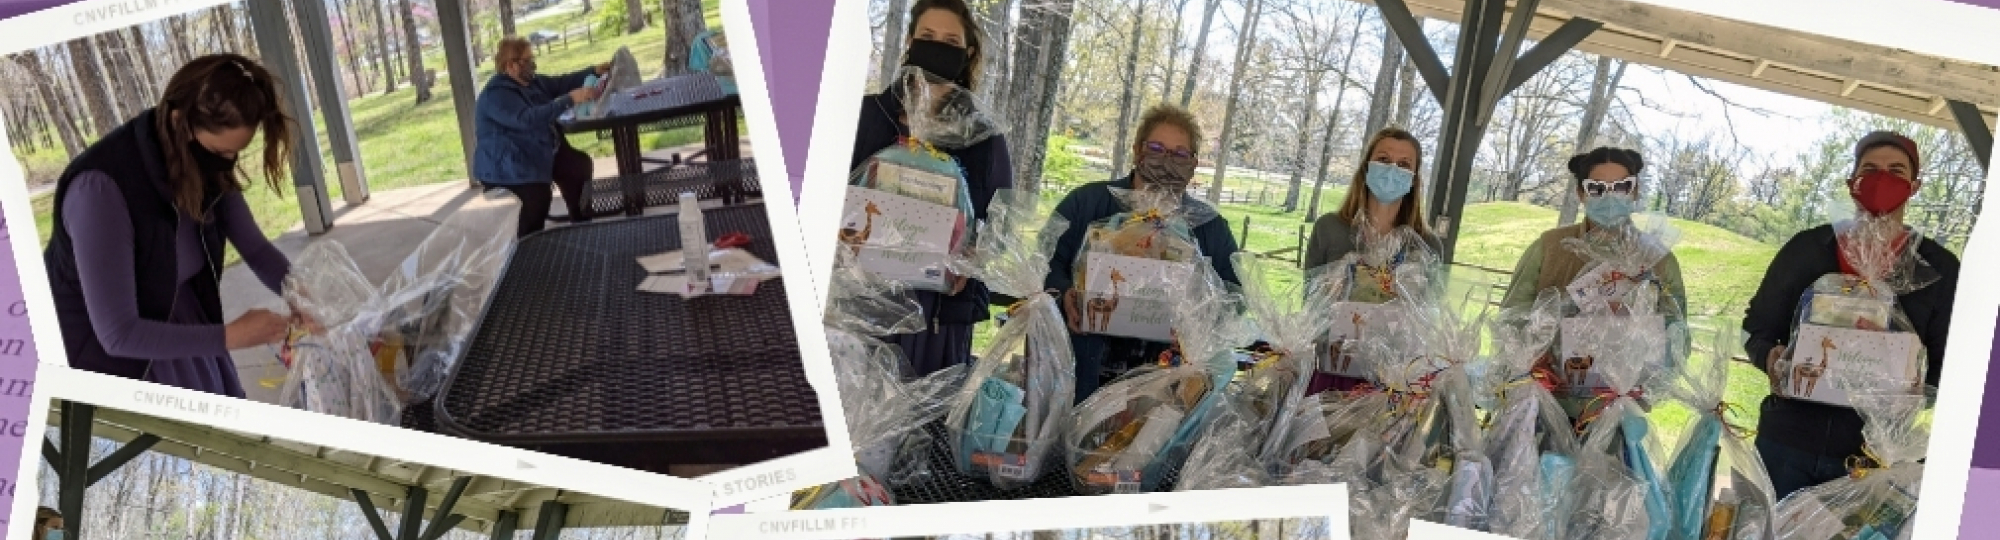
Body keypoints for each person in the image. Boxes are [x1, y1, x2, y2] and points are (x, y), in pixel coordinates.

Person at [43, 54, 303, 399]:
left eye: (235, 154)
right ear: (181, 122)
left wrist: (302, 297)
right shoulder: (100, 189)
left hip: (180, 315)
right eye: (219, 151)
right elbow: (119, 334)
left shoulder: (201, 162)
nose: (227, 164)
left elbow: (254, 248)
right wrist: (233, 335)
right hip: (119, 357)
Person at [1743, 131, 1959, 501]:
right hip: (1788, 442)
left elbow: (1949, 366)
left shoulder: (1938, 268)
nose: (1882, 179)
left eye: (1896, 170)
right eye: (1870, 169)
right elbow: (1755, 328)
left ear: (1915, 186)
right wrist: (1770, 357)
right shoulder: (1808, 248)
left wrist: (1914, 388)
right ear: (1851, 183)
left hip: (1871, 456)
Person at [850, 0, 1012, 378]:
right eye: (927, 37)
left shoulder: (985, 138)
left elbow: (1000, 227)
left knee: (922, 429)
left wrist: (971, 265)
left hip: (940, 316)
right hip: (862, 305)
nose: (937, 46)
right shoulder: (867, 116)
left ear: (967, 53)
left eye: (950, 40)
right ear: (909, 41)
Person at [1045, 103, 1241, 404]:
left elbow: (1234, 296)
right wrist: (1063, 294)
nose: (1167, 161)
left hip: (1164, 383)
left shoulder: (1209, 227)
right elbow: (1047, 259)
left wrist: (1198, 326)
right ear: (1137, 150)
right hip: (1081, 368)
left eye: (1179, 154)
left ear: (1193, 164)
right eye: (1156, 148)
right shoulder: (1087, 203)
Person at [1499, 147, 1688, 418]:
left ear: (1635, 192)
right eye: (1597, 188)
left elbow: (1679, 338)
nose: (1610, 197)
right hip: (1543, 405)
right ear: (1581, 194)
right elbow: (1511, 319)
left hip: (1619, 413)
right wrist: (1543, 341)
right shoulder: (1550, 248)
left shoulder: (1658, 260)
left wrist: (1642, 351)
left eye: (1622, 187)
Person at [1300, 127, 1443, 395]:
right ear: (1366, 168)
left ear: (1413, 179)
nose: (1392, 170)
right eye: (1384, 160)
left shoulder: (1427, 245)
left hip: (1395, 381)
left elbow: (1428, 320)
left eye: (1404, 165)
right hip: (1333, 369)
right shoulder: (1330, 228)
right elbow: (1311, 304)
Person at [474, 37, 612, 237]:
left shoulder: (532, 83)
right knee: (538, 198)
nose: (532, 64)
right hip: (509, 165)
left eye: (532, 58)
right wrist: (571, 99)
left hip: (534, 150)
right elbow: (526, 120)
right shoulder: (495, 95)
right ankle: (527, 245)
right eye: (526, 60)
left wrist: (594, 71)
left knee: (577, 166)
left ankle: (582, 224)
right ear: (510, 65)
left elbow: (561, 82)